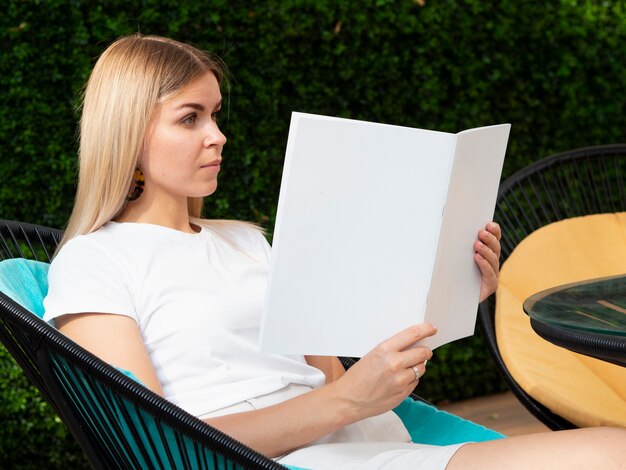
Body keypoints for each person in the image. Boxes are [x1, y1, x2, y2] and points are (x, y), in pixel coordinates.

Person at [42, 34, 625, 469]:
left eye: (215, 115)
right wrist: (347, 401)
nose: (217, 136)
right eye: (189, 119)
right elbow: (154, 445)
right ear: (128, 134)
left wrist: (446, 300)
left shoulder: (247, 241)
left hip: (365, 441)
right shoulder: (95, 261)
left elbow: (334, 383)